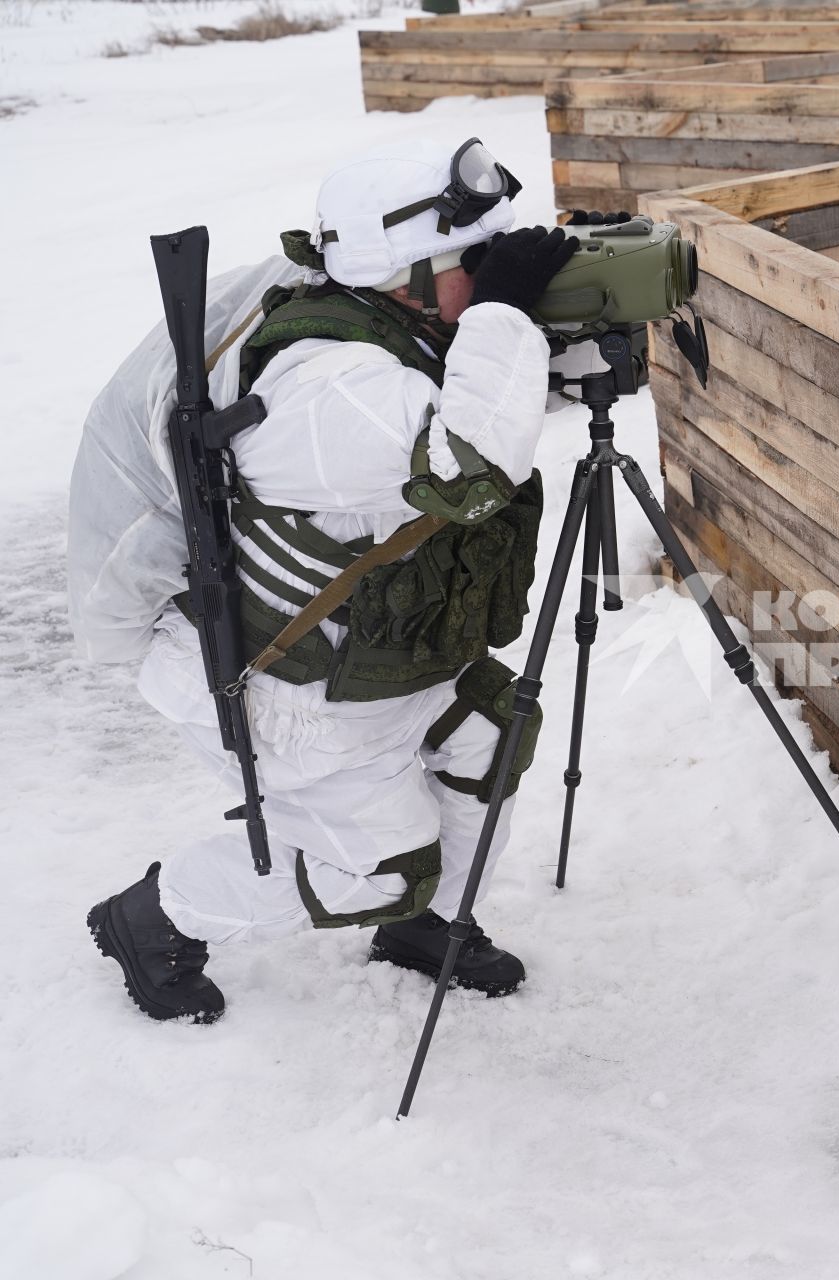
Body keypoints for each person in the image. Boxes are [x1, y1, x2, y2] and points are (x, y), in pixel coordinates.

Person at [76, 138, 577, 1024]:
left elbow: (487, 392)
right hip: (298, 693)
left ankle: (427, 924)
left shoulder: (407, 327)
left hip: (384, 656)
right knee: (374, 870)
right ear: (406, 274)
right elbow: (467, 460)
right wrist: (504, 314)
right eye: (477, 261)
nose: (497, 277)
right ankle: (155, 916)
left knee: (488, 739)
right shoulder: (330, 387)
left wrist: (534, 317)